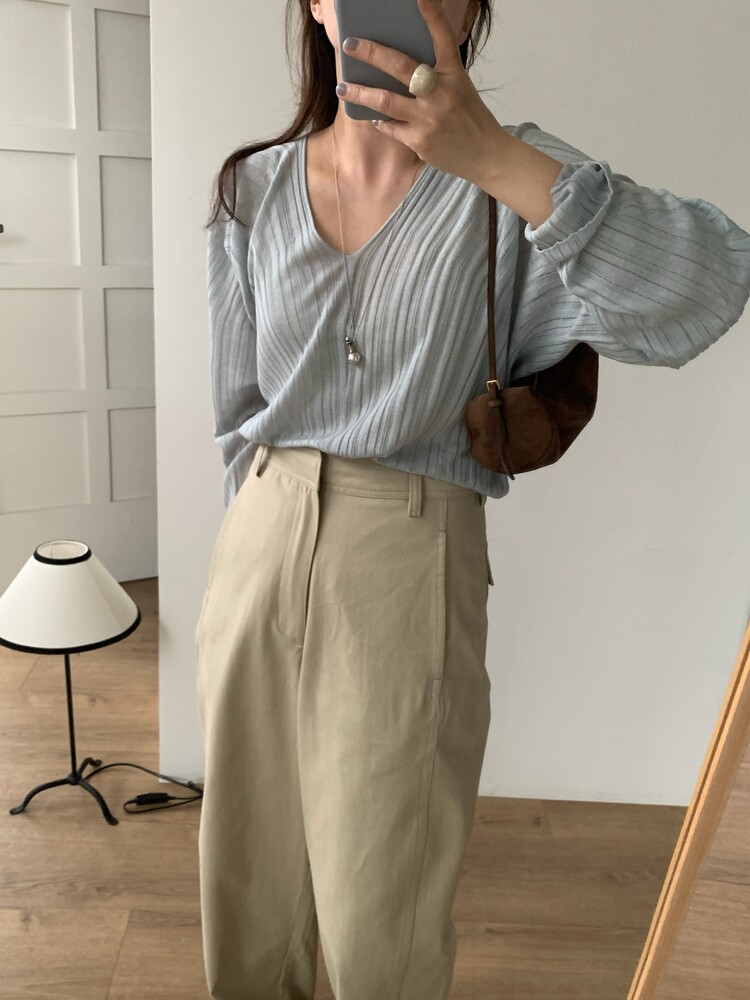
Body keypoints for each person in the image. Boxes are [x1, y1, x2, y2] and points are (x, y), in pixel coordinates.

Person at [194, 2, 750, 998]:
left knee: (383, 912)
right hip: (258, 541)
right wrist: (246, 549)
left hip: (409, 547)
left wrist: (490, 155)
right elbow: (237, 414)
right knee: (248, 888)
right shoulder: (253, 187)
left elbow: (710, 287)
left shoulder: (509, 179)